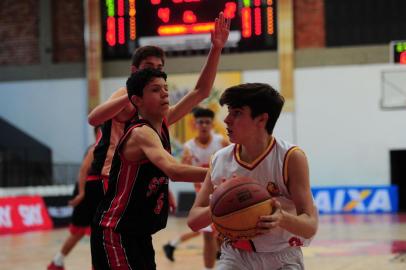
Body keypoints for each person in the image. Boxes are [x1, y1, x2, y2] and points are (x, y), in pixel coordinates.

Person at [91, 12, 230, 269]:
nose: (164, 93)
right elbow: (174, 170)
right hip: (115, 221)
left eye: (164, 86)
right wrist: (225, 173)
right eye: (155, 87)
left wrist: (216, 48)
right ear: (138, 96)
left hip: (138, 226)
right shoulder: (137, 124)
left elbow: (200, 91)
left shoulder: (162, 122)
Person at [187, 83, 319, 270]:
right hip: (235, 255)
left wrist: (282, 218)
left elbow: (310, 225)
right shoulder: (220, 159)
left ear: (262, 119)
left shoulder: (290, 157)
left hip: (283, 256)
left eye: (237, 113)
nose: (227, 120)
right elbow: (193, 221)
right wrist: (223, 206)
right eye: (229, 112)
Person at [163, 107, 228, 269]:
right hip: (204, 197)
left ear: (212, 124)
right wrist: (185, 162)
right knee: (207, 235)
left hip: (224, 193)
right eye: (201, 122)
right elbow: (181, 172)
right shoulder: (189, 147)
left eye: (207, 122)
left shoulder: (221, 141)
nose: (204, 125)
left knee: (223, 234)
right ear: (195, 125)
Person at [47, 127, 103, 270]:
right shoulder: (95, 148)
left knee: (90, 234)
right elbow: (83, 170)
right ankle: (57, 262)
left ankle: (57, 262)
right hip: (87, 193)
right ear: (98, 131)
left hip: (94, 194)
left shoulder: (106, 146)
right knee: (82, 232)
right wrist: (81, 194)